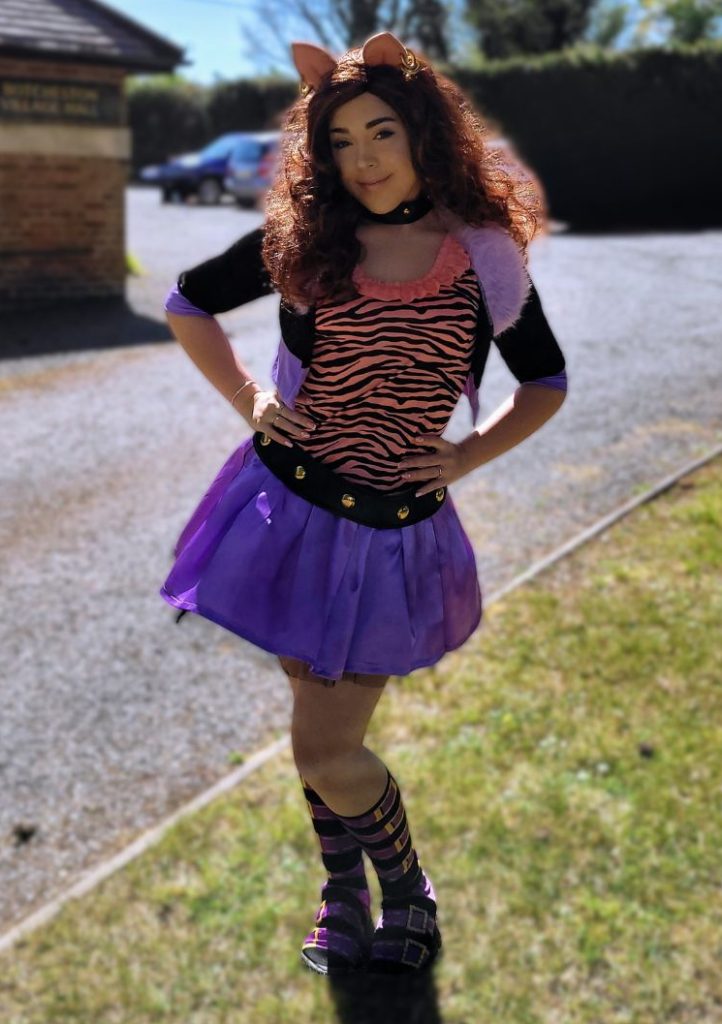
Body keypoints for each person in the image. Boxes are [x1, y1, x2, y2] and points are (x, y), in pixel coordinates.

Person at [159, 31, 568, 977]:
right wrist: (251, 400)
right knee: (319, 732)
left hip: (391, 536)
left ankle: (408, 889)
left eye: (381, 132)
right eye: (340, 142)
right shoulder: (310, 240)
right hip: (287, 515)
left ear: (426, 134)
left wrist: (468, 454)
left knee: (325, 745)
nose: (364, 159)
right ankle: (345, 893)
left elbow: (543, 380)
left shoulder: (482, 256)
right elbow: (188, 303)